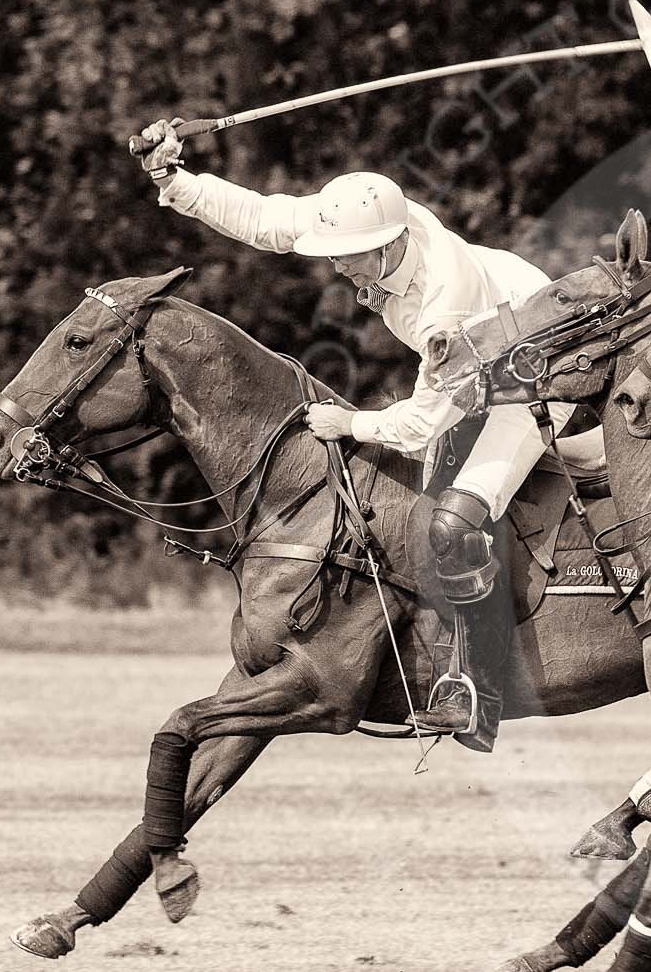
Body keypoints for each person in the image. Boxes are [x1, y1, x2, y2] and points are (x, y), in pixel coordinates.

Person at [133, 121, 574, 750]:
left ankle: (476, 694)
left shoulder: (445, 301)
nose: (335, 265)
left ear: (389, 246)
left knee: (455, 519)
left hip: (535, 373)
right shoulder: (366, 215)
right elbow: (267, 220)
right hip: (483, 359)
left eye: (345, 256)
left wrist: (351, 423)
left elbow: (425, 420)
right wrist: (173, 180)